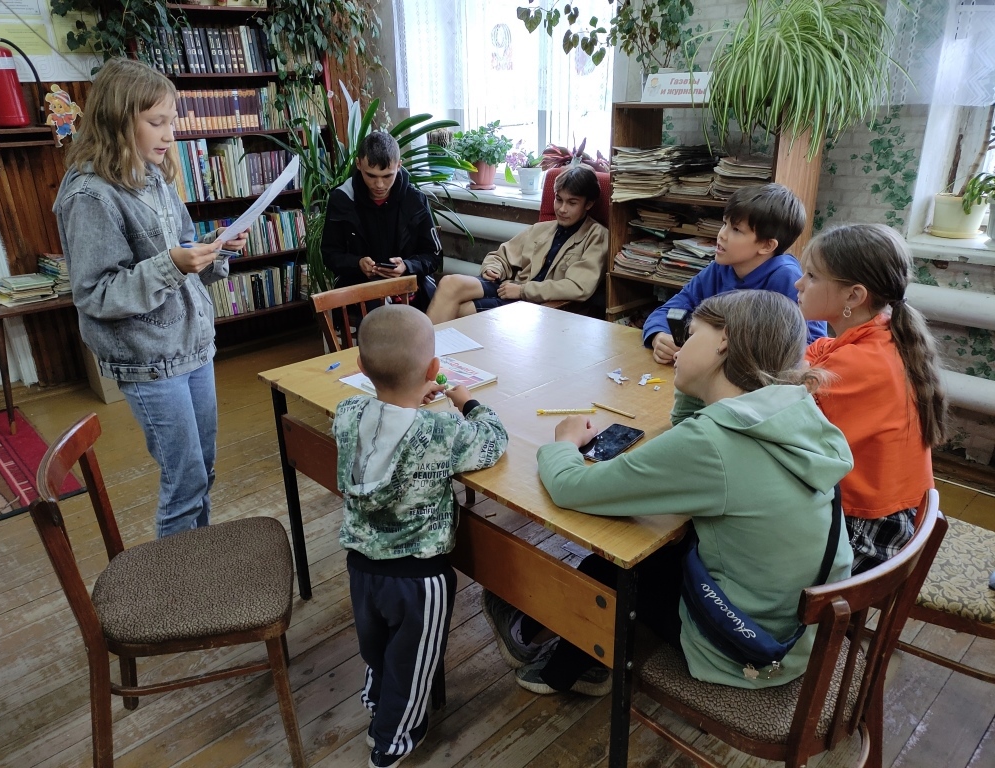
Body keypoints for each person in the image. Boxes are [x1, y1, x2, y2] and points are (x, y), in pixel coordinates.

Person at [484, 290, 853, 695]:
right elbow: (691, 430)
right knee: (659, 549)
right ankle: (576, 655)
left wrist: (564, 443)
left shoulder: (712, 443)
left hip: (747, 647)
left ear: (724, 341)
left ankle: (558, 670)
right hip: (799, 633)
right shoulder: (791, 410)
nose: (679, 346)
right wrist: (698, 382)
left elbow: (571, 487)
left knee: (606, 572)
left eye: (691, 335)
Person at [53, 58, 247, 539]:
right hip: (149, 360)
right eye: (157, 122)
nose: (169, 134)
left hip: (192, 346)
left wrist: (214, 249)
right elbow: (95, 293)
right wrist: (174, 264)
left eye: (171, 121)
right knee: (185, 481)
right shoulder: (90, 196)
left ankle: (195, 557)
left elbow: (181, 246)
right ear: (119, 121)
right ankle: (176, 579)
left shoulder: (153, 175)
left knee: (202, 469)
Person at [333, 304, 509, 767]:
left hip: (362, 566)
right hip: (419, 578)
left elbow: (385, 423)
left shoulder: (347, 413)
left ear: (361, 366)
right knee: (415, 666)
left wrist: (409, 397)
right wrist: (467, 402)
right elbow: (492, 440)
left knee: (379, 646)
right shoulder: (442, 429)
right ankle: (392, 743)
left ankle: (378, 699)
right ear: (434, 369)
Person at [796, 224, 947, 574]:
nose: (798, 284)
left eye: (812, 276)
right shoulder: (882, 333)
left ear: (854, 296)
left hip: (868, 532)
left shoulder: (859, 364)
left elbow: (781, 411)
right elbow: (817, 351)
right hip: (888, 514)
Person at [643, 183, 827, 364]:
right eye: (725, 224)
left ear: (767, 245)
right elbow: (670, 310)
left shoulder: (790, 280)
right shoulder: (720, 268)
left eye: (736, 230)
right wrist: (659, 335)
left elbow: (814, 349)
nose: (721, 235)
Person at [426, 166, 609, 323]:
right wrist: (493, 268)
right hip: (510, 287)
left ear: (588, 204)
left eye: (572, 203)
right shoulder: (541, 229)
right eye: (558, 199)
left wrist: (523, 291)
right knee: (450, 283)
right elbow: (501, 256)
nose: (562, 209)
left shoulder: (597, 236)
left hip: (533, 303)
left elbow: (577, 287)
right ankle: (425, 351)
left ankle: (427, 351)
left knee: (460, 311)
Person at [321, 131, 442, 312]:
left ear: (399, 166)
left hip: (410, 286)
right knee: (378, 315)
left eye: (387, 176)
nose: (379, 185)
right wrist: (357, 263)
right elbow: (330, 253)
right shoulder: (342, 199)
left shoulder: (415, 200)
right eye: (371, 176)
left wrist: (407, 266)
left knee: (420, 312)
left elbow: (433, 256)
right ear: (358, 164)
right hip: (359, 287)